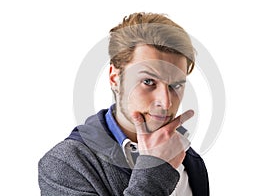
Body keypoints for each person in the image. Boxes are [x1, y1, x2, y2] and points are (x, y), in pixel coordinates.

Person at [38, 12, 209, 196]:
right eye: (149, 82)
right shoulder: (66, 163)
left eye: (175, 85)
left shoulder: (191, 161)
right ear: (114, 78)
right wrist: (156, 171)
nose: (166, 102)